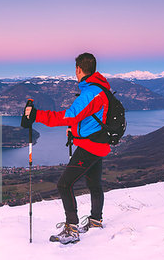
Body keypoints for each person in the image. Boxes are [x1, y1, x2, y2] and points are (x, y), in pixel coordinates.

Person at [22, 52, 111, 244]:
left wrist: (37, 115)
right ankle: (96, 220)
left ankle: (72, 229)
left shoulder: (91, 93)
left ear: (78, 69)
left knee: (64, 184)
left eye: (76, 70)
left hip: (90, 146)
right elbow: (87, 118)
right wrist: (75, 129)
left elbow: (70, 115)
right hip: (99, 144)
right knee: (94, 184)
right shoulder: (100, 89)